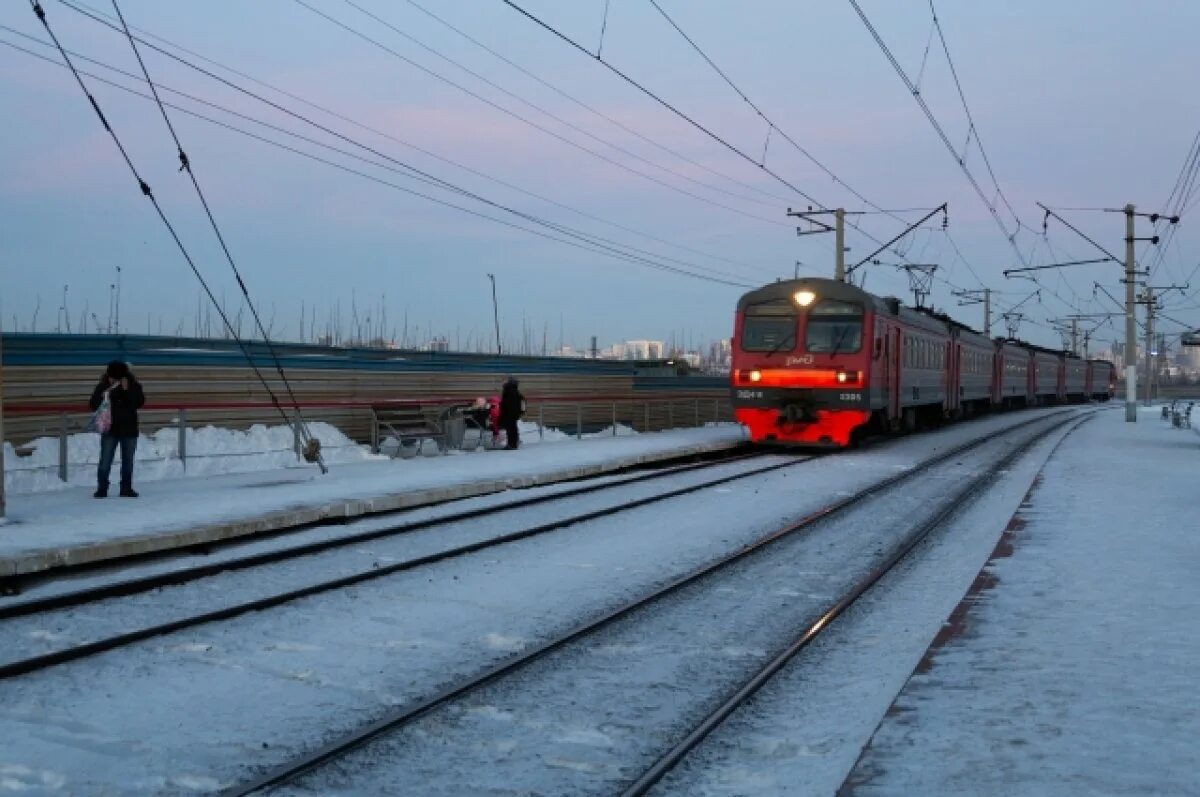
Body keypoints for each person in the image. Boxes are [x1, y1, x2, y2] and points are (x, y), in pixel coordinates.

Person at [89, 360, 145, 498]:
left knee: (128, 461)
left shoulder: (133, 386)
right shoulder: (103, 386)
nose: (113, 379)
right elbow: (93, 404)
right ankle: (102, 488)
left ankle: (126, 488)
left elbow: (139, 402)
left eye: (116, 377)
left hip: (129, 429)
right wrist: (102, 396)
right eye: (111, 376)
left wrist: (127, 391)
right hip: (110, 429)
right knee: (105, 460)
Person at [498, 376, 525, 450]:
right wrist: (520, 412)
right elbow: (522, 401)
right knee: (513, 428)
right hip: (514, 413)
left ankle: (511, 444)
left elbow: (507, 402)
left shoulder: (508, 390)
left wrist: (502, 406)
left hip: (508, 413)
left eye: (504, 381)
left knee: (509, 428)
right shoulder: (515, 391)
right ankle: (513, 443)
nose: (503, 383)